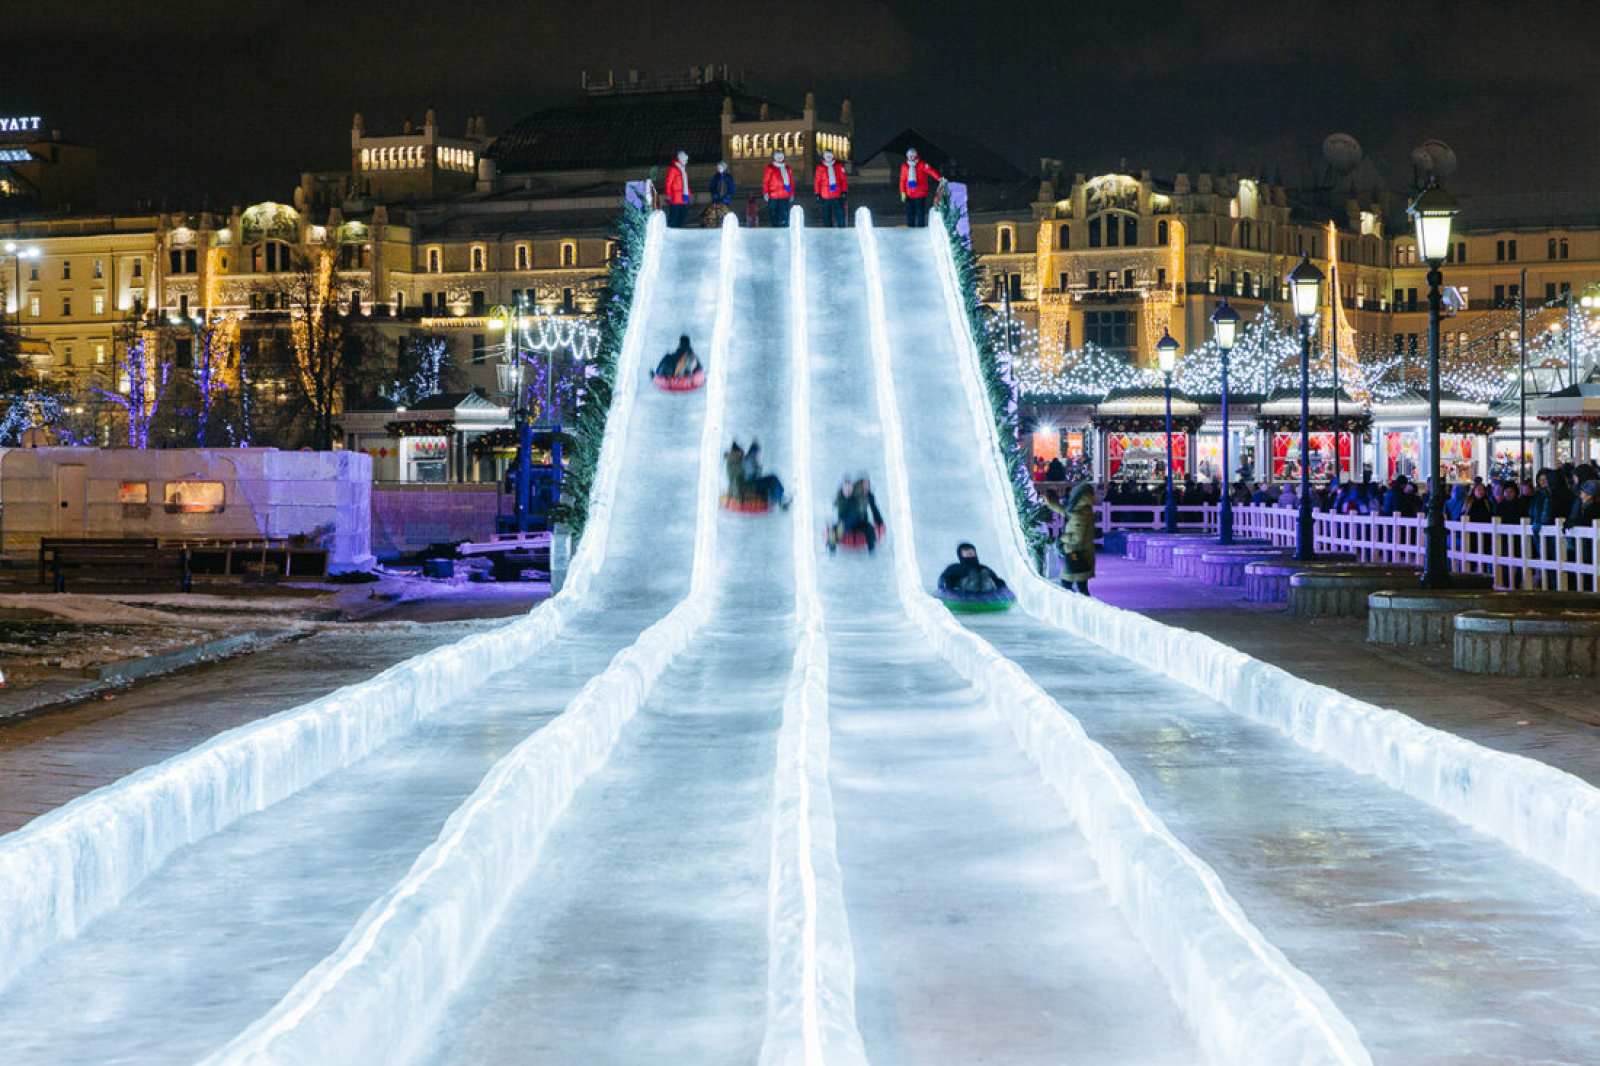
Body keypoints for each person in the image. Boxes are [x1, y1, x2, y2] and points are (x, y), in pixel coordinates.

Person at [1056, 482, 1097, 595]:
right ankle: (1084, 608)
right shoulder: (1082, 508)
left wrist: (1062, 538)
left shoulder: (1080, 512)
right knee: (1080, 586)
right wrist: (1051, 504)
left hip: (1076, 554)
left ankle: (1080, 609)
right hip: (1081, 554)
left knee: (1067, 586)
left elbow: (1077, 538)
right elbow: (1068, 513)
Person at [828, 476, 883, 553]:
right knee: (845, 523)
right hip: (846, 522)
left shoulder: (862, 496)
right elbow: (842, 513)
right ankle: (832, 546)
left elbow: (874, 510)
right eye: (846, 489)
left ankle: (872, 552)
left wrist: (880, 524)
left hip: (859, 522)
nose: (848, 491)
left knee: (869, 529)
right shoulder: (842, 499)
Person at [938, 543, 1007, 594]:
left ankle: (984, 582)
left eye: (971, 552)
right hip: (965, 586)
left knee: (985, 576)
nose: (969, 554)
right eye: (966, 552)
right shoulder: (956, 567)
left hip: (984, 586)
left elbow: (995, 577)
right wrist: (945, 584)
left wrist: (1001, 584)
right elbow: (944, 577)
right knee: (969, 579)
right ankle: (973, 581)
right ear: (961, 555)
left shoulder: (982, 567)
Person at [899, 147, 943, 228]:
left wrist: (939, 178)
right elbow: (903, 180)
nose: (911, 157)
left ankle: (921, 228)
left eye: (913, 155)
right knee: (910, 212)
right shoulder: (905, 166)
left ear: (916, 155)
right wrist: (902, 192)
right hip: (909, 193)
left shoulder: (922, 164)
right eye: (909, 156)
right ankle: (910, 227)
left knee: (920, 212)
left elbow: (931, 171)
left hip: (920, 192)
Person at [742, 440, 790, 509]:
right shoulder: (749, 460)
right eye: (757, 453)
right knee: (772, 480)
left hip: (753, 483)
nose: (758, 455)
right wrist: (756, 468)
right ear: (754, 452)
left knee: (772, 479)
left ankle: (780, 498)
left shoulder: (751, 460)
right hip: (751, 485)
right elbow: (749, 476)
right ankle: (781, 500)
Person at [814, 149, 848, 228]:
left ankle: (842, 228)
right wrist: (817, 193)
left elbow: (843, 180)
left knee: (840, 213)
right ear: (824, 157)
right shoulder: (820, 168)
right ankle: (828, 229)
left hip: (837, 193)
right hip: (825, 195)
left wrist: (844, 191)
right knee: (826, 214)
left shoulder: (838, 166)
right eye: (827, 157)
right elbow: (817, 182)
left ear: (832, 157)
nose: (828, 158)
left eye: (830, 156)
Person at [763, 150, 795, 228]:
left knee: (784, 212)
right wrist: (765, 192)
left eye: (781, 157)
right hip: (773, 195)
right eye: (778, 157)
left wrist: (792, 193)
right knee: (774, 212)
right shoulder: (770, 168)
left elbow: (790, 181)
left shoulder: (787, 168)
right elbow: (766, 181)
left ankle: (785, 226)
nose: (779, 159)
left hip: (784, 194)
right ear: (775, 158)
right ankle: (775, 227)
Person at [662, 149, 693, 229]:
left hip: (683, 197)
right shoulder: (673, 169)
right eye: (686, 160)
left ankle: (680, 231)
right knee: (674, 216)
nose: (687, 162)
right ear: (682, 160)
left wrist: (688, 196)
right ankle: (672, 231)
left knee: (682, 215)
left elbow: (686, 185)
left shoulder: (683, 170)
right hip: (675, 197)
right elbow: (668, 183)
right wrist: (668, 195)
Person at [703, 162, 734, 227]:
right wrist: (714, 193)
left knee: (724, 212)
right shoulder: (716, 177)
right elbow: (712, 186)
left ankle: (724, 225)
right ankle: (715, 225)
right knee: (715, 211)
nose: (719, 168)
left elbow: (731, 188)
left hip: (725, 198)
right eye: (718, 167)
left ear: (724, 168)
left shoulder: (728, 177)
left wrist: (728, 196)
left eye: (720, 167)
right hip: (716, 199)